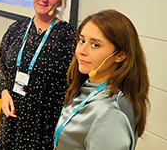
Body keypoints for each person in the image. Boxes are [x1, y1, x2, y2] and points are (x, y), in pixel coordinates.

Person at [0, 0, 76, 149]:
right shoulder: (17, 28)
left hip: (42, 120)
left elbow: (73, 82)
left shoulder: (68, 37)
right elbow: (1, 62)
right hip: (11, 113)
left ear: (60, 1)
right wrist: (4, 92)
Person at [53, 9, 150, 150]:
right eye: (82, 40)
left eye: (95, 45)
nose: (81, 51)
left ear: (120, 55)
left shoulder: (110, 114)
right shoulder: (88, 86)